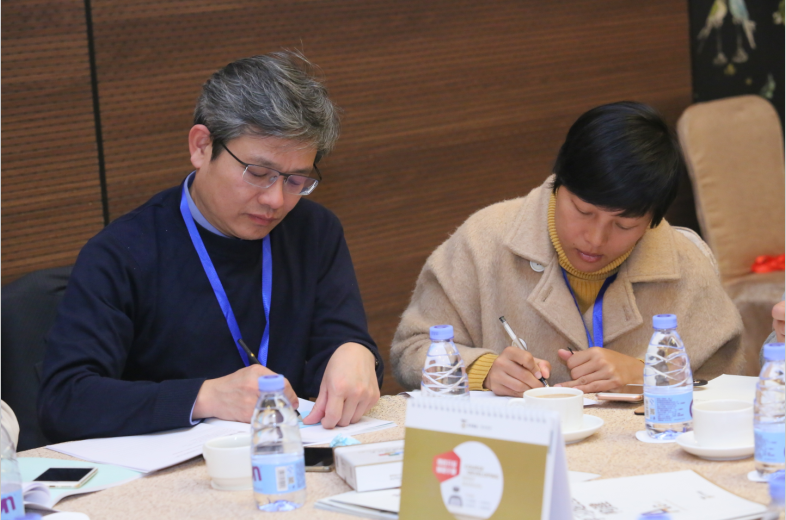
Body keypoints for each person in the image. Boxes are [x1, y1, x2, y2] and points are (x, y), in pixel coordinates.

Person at [38, 52, 382, 442]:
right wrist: (205, 397)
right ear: (202, 147)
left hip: (288, 452)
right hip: (172, 469)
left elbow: (339, 346)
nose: (275, 200)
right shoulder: (122, 253)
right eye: (258, 173)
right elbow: (65, 400)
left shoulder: (313, 231)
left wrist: (355, 351)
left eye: (295, 180)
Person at [392, 101, 744, 395]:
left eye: (623, 225)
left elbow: (730, 384)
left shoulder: (685, 262)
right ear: (559, 184)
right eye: (582, 211)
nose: (595, 239)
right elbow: (410, 352)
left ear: (653, 220)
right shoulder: (483, 240)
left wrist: (649, 374)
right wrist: (481, 371)